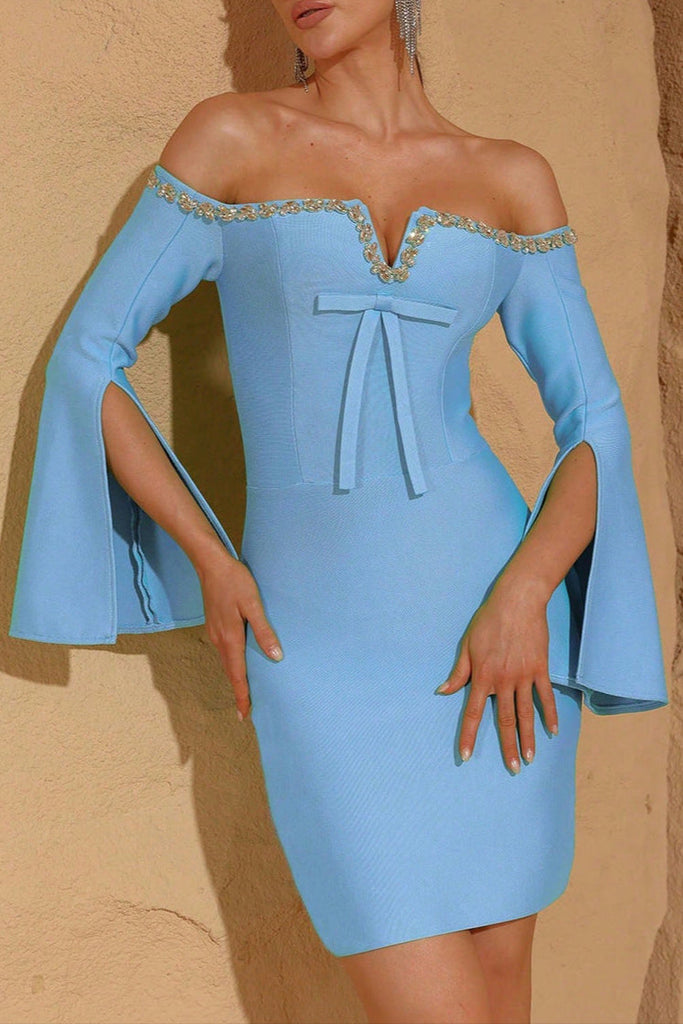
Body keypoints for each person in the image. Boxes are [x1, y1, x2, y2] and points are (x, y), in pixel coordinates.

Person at [9, 1, 669, 1021]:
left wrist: (526, 593)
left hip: (492, 626)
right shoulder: (231, 138)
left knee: (503, 990)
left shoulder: (509, 175)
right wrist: (213, 559)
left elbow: (595, 425)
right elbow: (86, 362)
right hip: (317, 646)